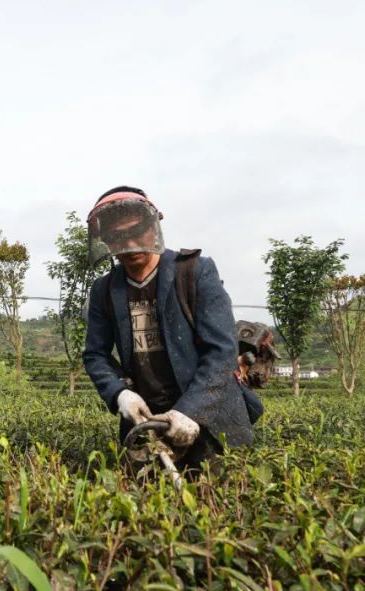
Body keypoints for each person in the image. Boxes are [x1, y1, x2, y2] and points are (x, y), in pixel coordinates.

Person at [83, 186, 259, 467]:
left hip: (209, 417)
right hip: (147, 422)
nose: (129, 244)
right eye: (118, 236)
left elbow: (222, 353)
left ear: (153, 228)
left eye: (136, 231)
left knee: (221, 500)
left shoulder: (194, 271)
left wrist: (190, 410)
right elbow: (95, 355)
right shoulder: (105, 290)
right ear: (106, 241)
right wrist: (119, 393)